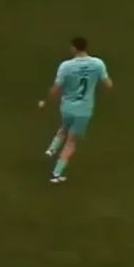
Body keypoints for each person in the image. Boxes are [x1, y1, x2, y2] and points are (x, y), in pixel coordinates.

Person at [39, 37, 112, 184]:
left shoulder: (65, 66)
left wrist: (45, 101)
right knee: (71, 142)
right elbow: (108, 84)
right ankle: (57, 173)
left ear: (74, 48)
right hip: (84, 110)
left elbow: (56, 87)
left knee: (64, 128)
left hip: (67, 107)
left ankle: (51, 149)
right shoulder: (97, 64)